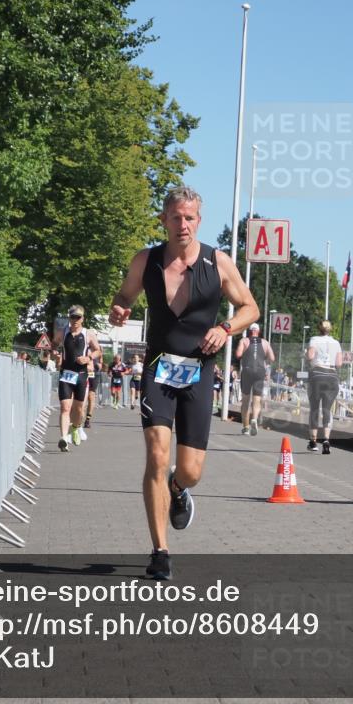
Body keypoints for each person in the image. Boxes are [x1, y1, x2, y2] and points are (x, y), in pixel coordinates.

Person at [108, 186, 258, 581]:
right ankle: (160, 552)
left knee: (191, 471)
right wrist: (120, 308)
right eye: (175, 217)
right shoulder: (147, 259)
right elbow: (124, 295)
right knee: (156, 455)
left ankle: (178, 488)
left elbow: (250, 307)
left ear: (198, 221)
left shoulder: (217, 261)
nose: (182, 225)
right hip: (158, 368)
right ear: (164, 220)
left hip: (199, 371)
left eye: (189, 217)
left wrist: (226, 329)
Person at [53, 305, 103, 452]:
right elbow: (54, 344)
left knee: (79, 408)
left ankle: (75, 427)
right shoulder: (63, 332)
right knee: (65, 407)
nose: (75, 320)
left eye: (78, 317)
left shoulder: (88, 334)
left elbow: (98, 350)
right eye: (72, 317)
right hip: (66, 374)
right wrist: (55, 353)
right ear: (69, 317)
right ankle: (63, 438)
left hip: (81, 375)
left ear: (82, 319)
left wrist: (88, 358)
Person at [305, 320, 343, 454]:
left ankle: (313, 441)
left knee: (314, 408)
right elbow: (339, 363)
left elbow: (310, 356)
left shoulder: (314, 340)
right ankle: (326, 440)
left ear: (319, 329)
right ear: (330, 329)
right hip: (332, 376)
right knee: (327, 410)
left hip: (317, 375)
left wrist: (306, 355)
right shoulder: (336, 343)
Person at [235, 322, 275, 436]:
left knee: (246, 400)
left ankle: (246, 427)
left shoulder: (244, 340)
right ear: (258, 331)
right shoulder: (265, 342)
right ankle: (254, 419)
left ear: (250, 331)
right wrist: (263, 356)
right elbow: (272, 358)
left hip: (247, 370)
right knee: (257, 399)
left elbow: (238, 354)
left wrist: (244, 353)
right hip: (260, 371)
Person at [84, 356, 99, 428]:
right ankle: (77, 418)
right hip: (82, 373)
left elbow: (101, 362)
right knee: (81, 398)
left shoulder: (96, 348)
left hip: (93, 375)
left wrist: (99, 365)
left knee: (91, 397)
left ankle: (87, 420)